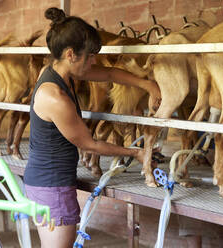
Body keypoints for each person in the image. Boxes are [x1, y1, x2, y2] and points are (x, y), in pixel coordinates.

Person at [23, 7, 161, 248]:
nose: (94, 60)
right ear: (70, 54)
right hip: (52, 188)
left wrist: (147, 85)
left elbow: (109, 73)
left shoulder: (56, 73)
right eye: (90, 55)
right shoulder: (55, 96)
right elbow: (90, 144)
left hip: (46, 182)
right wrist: (136, 153)